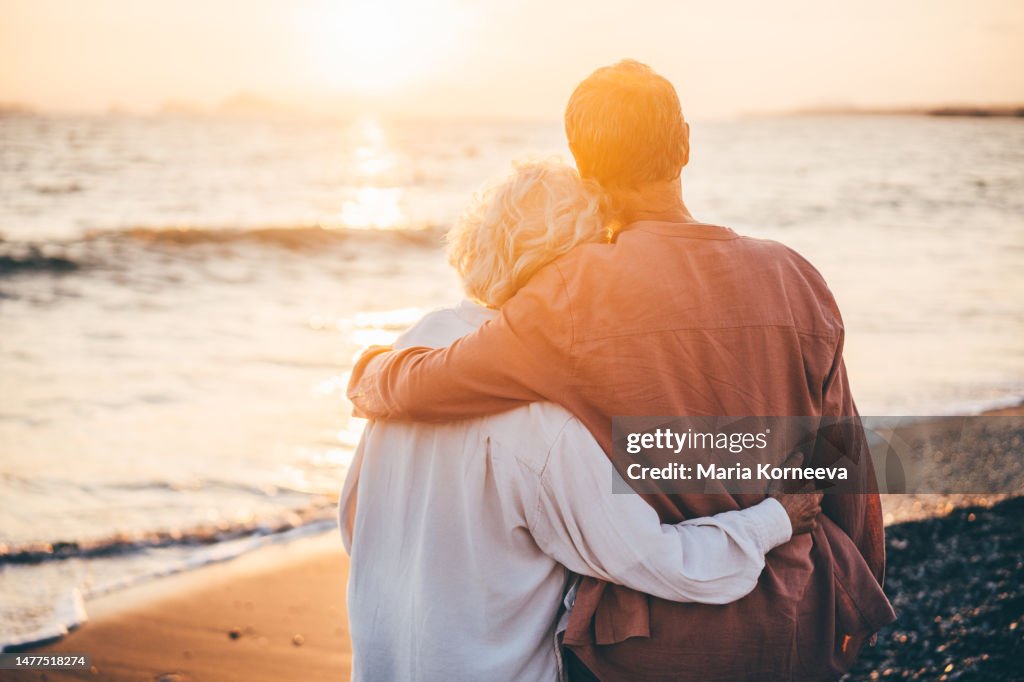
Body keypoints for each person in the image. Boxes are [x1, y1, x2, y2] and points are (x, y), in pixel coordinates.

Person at [347, 61, 895, 680]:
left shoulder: (566, 297)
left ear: (583, 167)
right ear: (684, 142)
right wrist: (859, 588)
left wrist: (370, 374)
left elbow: (432, 385)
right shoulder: (796, 277)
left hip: (647, 642)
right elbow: (842, 455)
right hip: (796, 614)